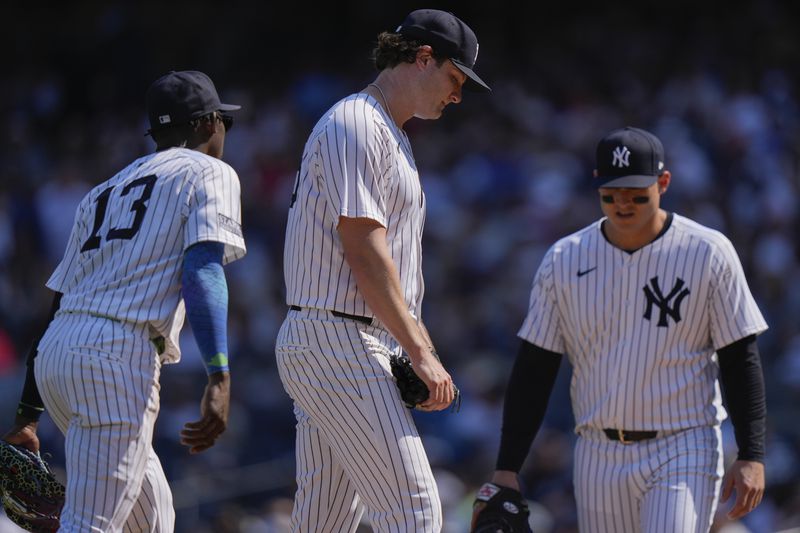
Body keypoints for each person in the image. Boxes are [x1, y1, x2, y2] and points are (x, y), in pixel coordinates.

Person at [473, 127, 768, 532]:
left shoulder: (707, 252)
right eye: (612, 194)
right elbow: (534, 369)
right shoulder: (564, 259)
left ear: (663, 183)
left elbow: (739, 357)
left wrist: (752, 452)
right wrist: (507, 468)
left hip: (682, 444)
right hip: (597, 450)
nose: (623, 203)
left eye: (636, 193)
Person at [2, 70, 246, 532]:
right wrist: (219, 373)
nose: (224, 133)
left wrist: (27, 417)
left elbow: (57, 306)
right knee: (91, 525)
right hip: (114, 358)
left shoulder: (101, 193)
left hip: (59, 357)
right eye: (223, 122)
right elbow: (202, 267)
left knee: (152, 519)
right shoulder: (210, 171)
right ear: (207, 122)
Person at [275, 8, 490, 532]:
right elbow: (364, 252)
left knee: (324, 522)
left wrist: (409, 346)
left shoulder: (387, 132)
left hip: (346, 338)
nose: (458, 94)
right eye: (454, 77)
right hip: (336, 338)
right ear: (422, 58)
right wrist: (422, 353)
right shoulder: (356, 123)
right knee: (414, 509)